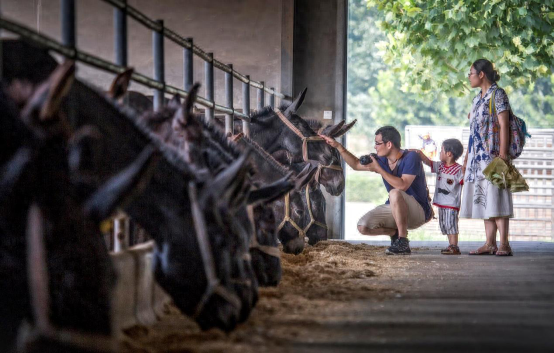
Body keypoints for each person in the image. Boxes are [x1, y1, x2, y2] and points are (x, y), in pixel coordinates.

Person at [320, 126, 432, 255]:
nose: (375, 147)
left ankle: (403, 241)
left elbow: (402, 186)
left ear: (389, 144)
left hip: (419, 211)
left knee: (394, 192)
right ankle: (394, 233)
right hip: (397, 207)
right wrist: (339, 147)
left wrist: (379, 169)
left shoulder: (411, 157)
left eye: (378, 143)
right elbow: (356, 165)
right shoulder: (382, 160)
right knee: (363, 227)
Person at [462, 58, 514, 256]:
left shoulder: (498, 94)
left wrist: (502, 154)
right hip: (477, 158)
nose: (469, 77)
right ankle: (489, 243)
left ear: (481, 74)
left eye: (471, 73)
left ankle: (504, 244)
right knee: (485, 198)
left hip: (493, 154)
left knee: (498, 196)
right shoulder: (477, 99)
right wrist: (467, 157)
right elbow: (473, 131)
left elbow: (504, 125)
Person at [413, 139, 464, 255]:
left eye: (441, 150)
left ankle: (454, 246)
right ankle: (451, 245)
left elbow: (466, 180)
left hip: (451, 204)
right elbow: (428, 162)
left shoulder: (459, 170)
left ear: (449, 154)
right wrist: (419, 154)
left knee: (451, 224)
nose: (439, 153)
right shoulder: (440, 166)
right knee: (445, 225)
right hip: (441, 202)